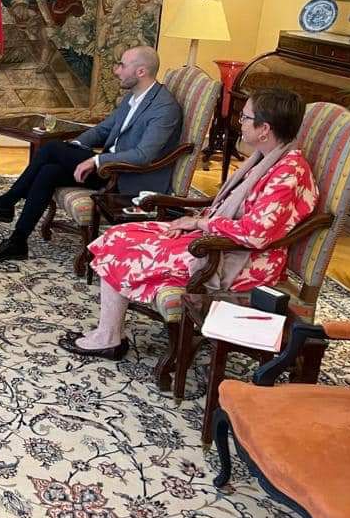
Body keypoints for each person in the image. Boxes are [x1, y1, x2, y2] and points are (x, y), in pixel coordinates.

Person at [62, 89, 317, 359]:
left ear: (264, 129)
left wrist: (200, 224)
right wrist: (197, 222)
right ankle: (110, 334)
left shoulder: (289, 172)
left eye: (245, 117)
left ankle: (108, 339)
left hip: (245, 260)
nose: (240, 122)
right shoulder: (265, 158)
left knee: (127, 248)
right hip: (219, 240)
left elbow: (255, 234)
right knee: (119, 235)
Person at [0, 46, 182, 261]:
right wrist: (76, 146)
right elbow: (103, 130)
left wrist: (96, 160)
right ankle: (18, 242)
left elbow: (143, 156)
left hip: (130, 180)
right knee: (49, 171)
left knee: (51, 148)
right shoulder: (133, 97)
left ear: (141, 72)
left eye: (122, 66)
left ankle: (5, 203)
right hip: (112, 170)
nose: (116, 71)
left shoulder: (164, 108)